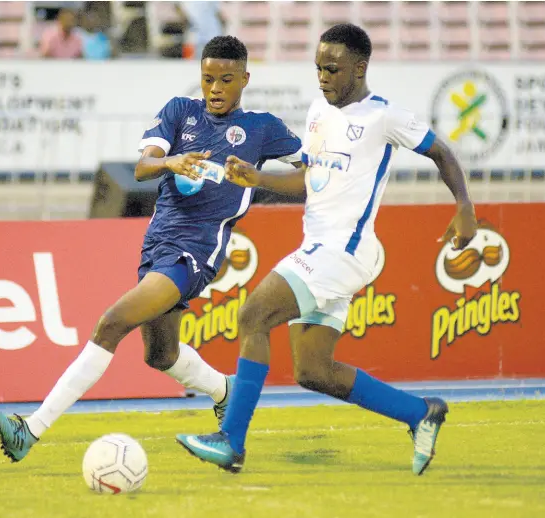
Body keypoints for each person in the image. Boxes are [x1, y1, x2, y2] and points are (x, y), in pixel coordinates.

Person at [176, 23, 478, 476]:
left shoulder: (384, 116)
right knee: (313, 370)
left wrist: (464, 205)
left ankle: (231, 441)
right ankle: (420, 413)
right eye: (318, 68)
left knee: (252, 315)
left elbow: (442, 153)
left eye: (333, 69)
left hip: (344, 250)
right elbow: (308, 182)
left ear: (360, 68)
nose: (323, 77)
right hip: (321, 247)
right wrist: (258, 179)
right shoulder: (319, 111)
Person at [0, 35, 302, 463]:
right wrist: (170, 161)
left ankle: (31, 429)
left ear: (244, 79)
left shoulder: (263, 129)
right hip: (157, 243)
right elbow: (142, 166)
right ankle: (224, 391)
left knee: (112, 323)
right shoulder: (179, 111)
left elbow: (310, 175)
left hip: (195, 250)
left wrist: (260, 179)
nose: (214, 88)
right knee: (161, 355)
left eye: (226, 80)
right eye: (208, 78)